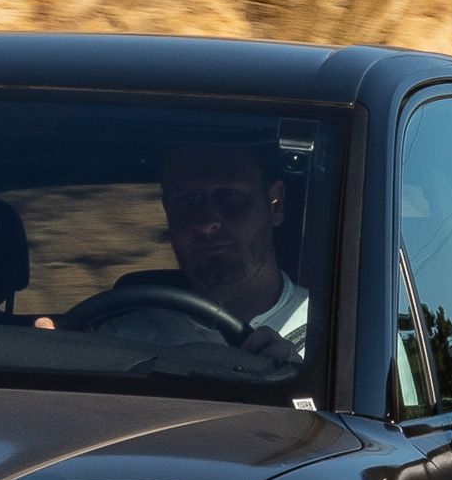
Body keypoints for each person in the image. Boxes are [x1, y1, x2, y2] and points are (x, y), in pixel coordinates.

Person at [73, 138, 309, 346]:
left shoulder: (328, 334)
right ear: (168, 212)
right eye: (186, 201)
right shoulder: (122, 341)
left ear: (274, 205)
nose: (206, 223)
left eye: (229, 196)